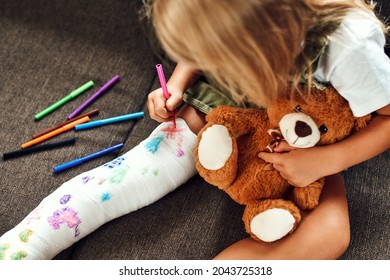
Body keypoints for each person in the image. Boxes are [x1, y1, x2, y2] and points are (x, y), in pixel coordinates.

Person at [0, 0, 388, 260]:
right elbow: (208, 36)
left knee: (330, 234)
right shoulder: (233, 25)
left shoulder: (348, 45)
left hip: (317, 122)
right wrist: (179, 81)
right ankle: (17, 253)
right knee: (131, 176)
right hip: (245, 87)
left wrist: (322, 161)